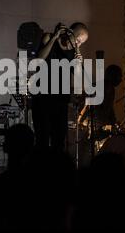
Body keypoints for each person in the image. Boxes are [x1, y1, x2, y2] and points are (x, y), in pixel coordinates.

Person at [32, 22, 88, 151]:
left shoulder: (73, 53)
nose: (78, 44)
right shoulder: (49, 38)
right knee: (42, 141)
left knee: (59, 142)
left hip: (60, 102)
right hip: (42, 99)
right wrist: (54, 38)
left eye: (81, 43)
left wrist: (79, 62)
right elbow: (38, 60)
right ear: (70, 33)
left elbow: (80, 77)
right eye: (78, 40)